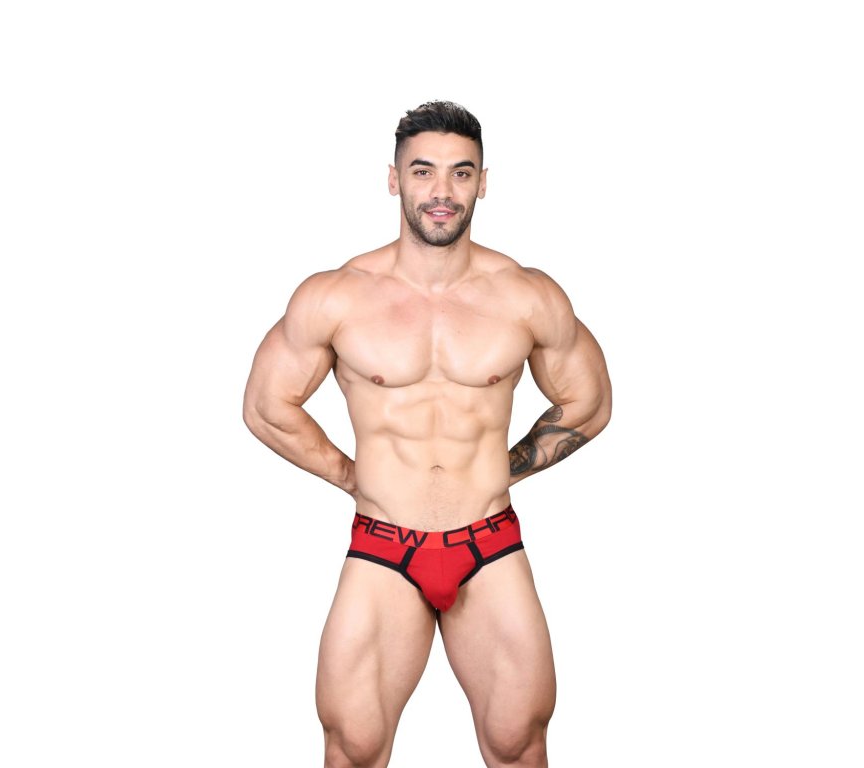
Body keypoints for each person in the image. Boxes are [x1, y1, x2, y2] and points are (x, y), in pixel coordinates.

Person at [243, 100, 612, 768]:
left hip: (489, 545)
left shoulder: (526, 295)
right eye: (423, 171)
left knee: (517, 742)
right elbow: (268, 406)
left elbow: (588, 403)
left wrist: (502, 468)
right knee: (354, 746)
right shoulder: (337, 295)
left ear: (482, 182)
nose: (442, 190)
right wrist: (351, 476)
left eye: (460, 173)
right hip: (383, 547)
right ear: (394, 180)